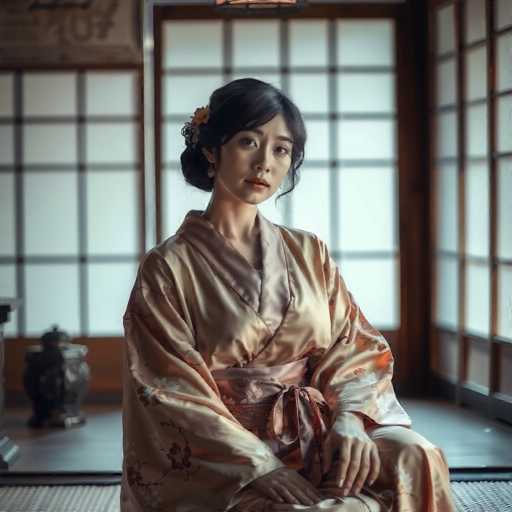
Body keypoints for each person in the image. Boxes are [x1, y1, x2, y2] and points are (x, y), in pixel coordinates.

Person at [120, 78, 455, 512]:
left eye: (281, 149)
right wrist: (260, 464)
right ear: (210, 150)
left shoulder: (307, 250)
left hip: (321, 429)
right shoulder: (167, 267)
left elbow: (353, 345)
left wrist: (351, 420)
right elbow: (167, 388)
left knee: (415, 455)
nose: (264, 162)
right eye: (248, 142)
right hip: (224, 455)